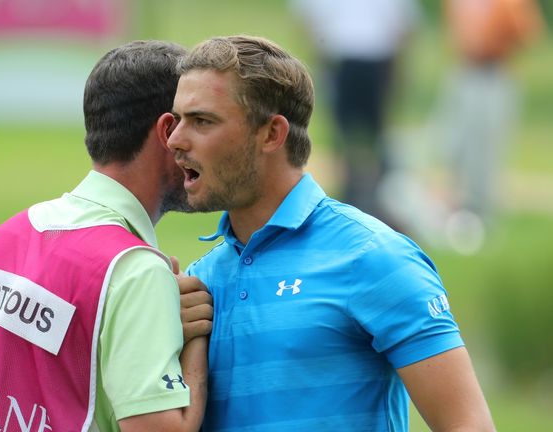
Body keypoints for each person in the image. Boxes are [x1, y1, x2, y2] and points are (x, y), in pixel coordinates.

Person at [168, 35, 495, 431]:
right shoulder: (200, 281)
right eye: (178, 120)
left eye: (202, 121)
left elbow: (466, 424)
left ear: (272, 134)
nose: (175, 140)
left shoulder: (373, 257)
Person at [0, 40, 209, 432]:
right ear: (167, 132)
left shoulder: (3, 238)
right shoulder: (135, 271)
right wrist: (191, 343)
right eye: (198, 122)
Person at [289, 0, 419, 226]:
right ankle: (364, 195)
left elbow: (309, 19)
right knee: (359, 134)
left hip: (355, 57)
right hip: (364, 57)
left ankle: (371, 195)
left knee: (361, 134)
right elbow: (403, 25)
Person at [436, 0, 543, 227]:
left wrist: (496, 40)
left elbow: (528, 33)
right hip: (464, 71)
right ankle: (457, 206)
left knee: (486, 147)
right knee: (455, 144)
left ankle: (482, 210)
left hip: (493, 72)